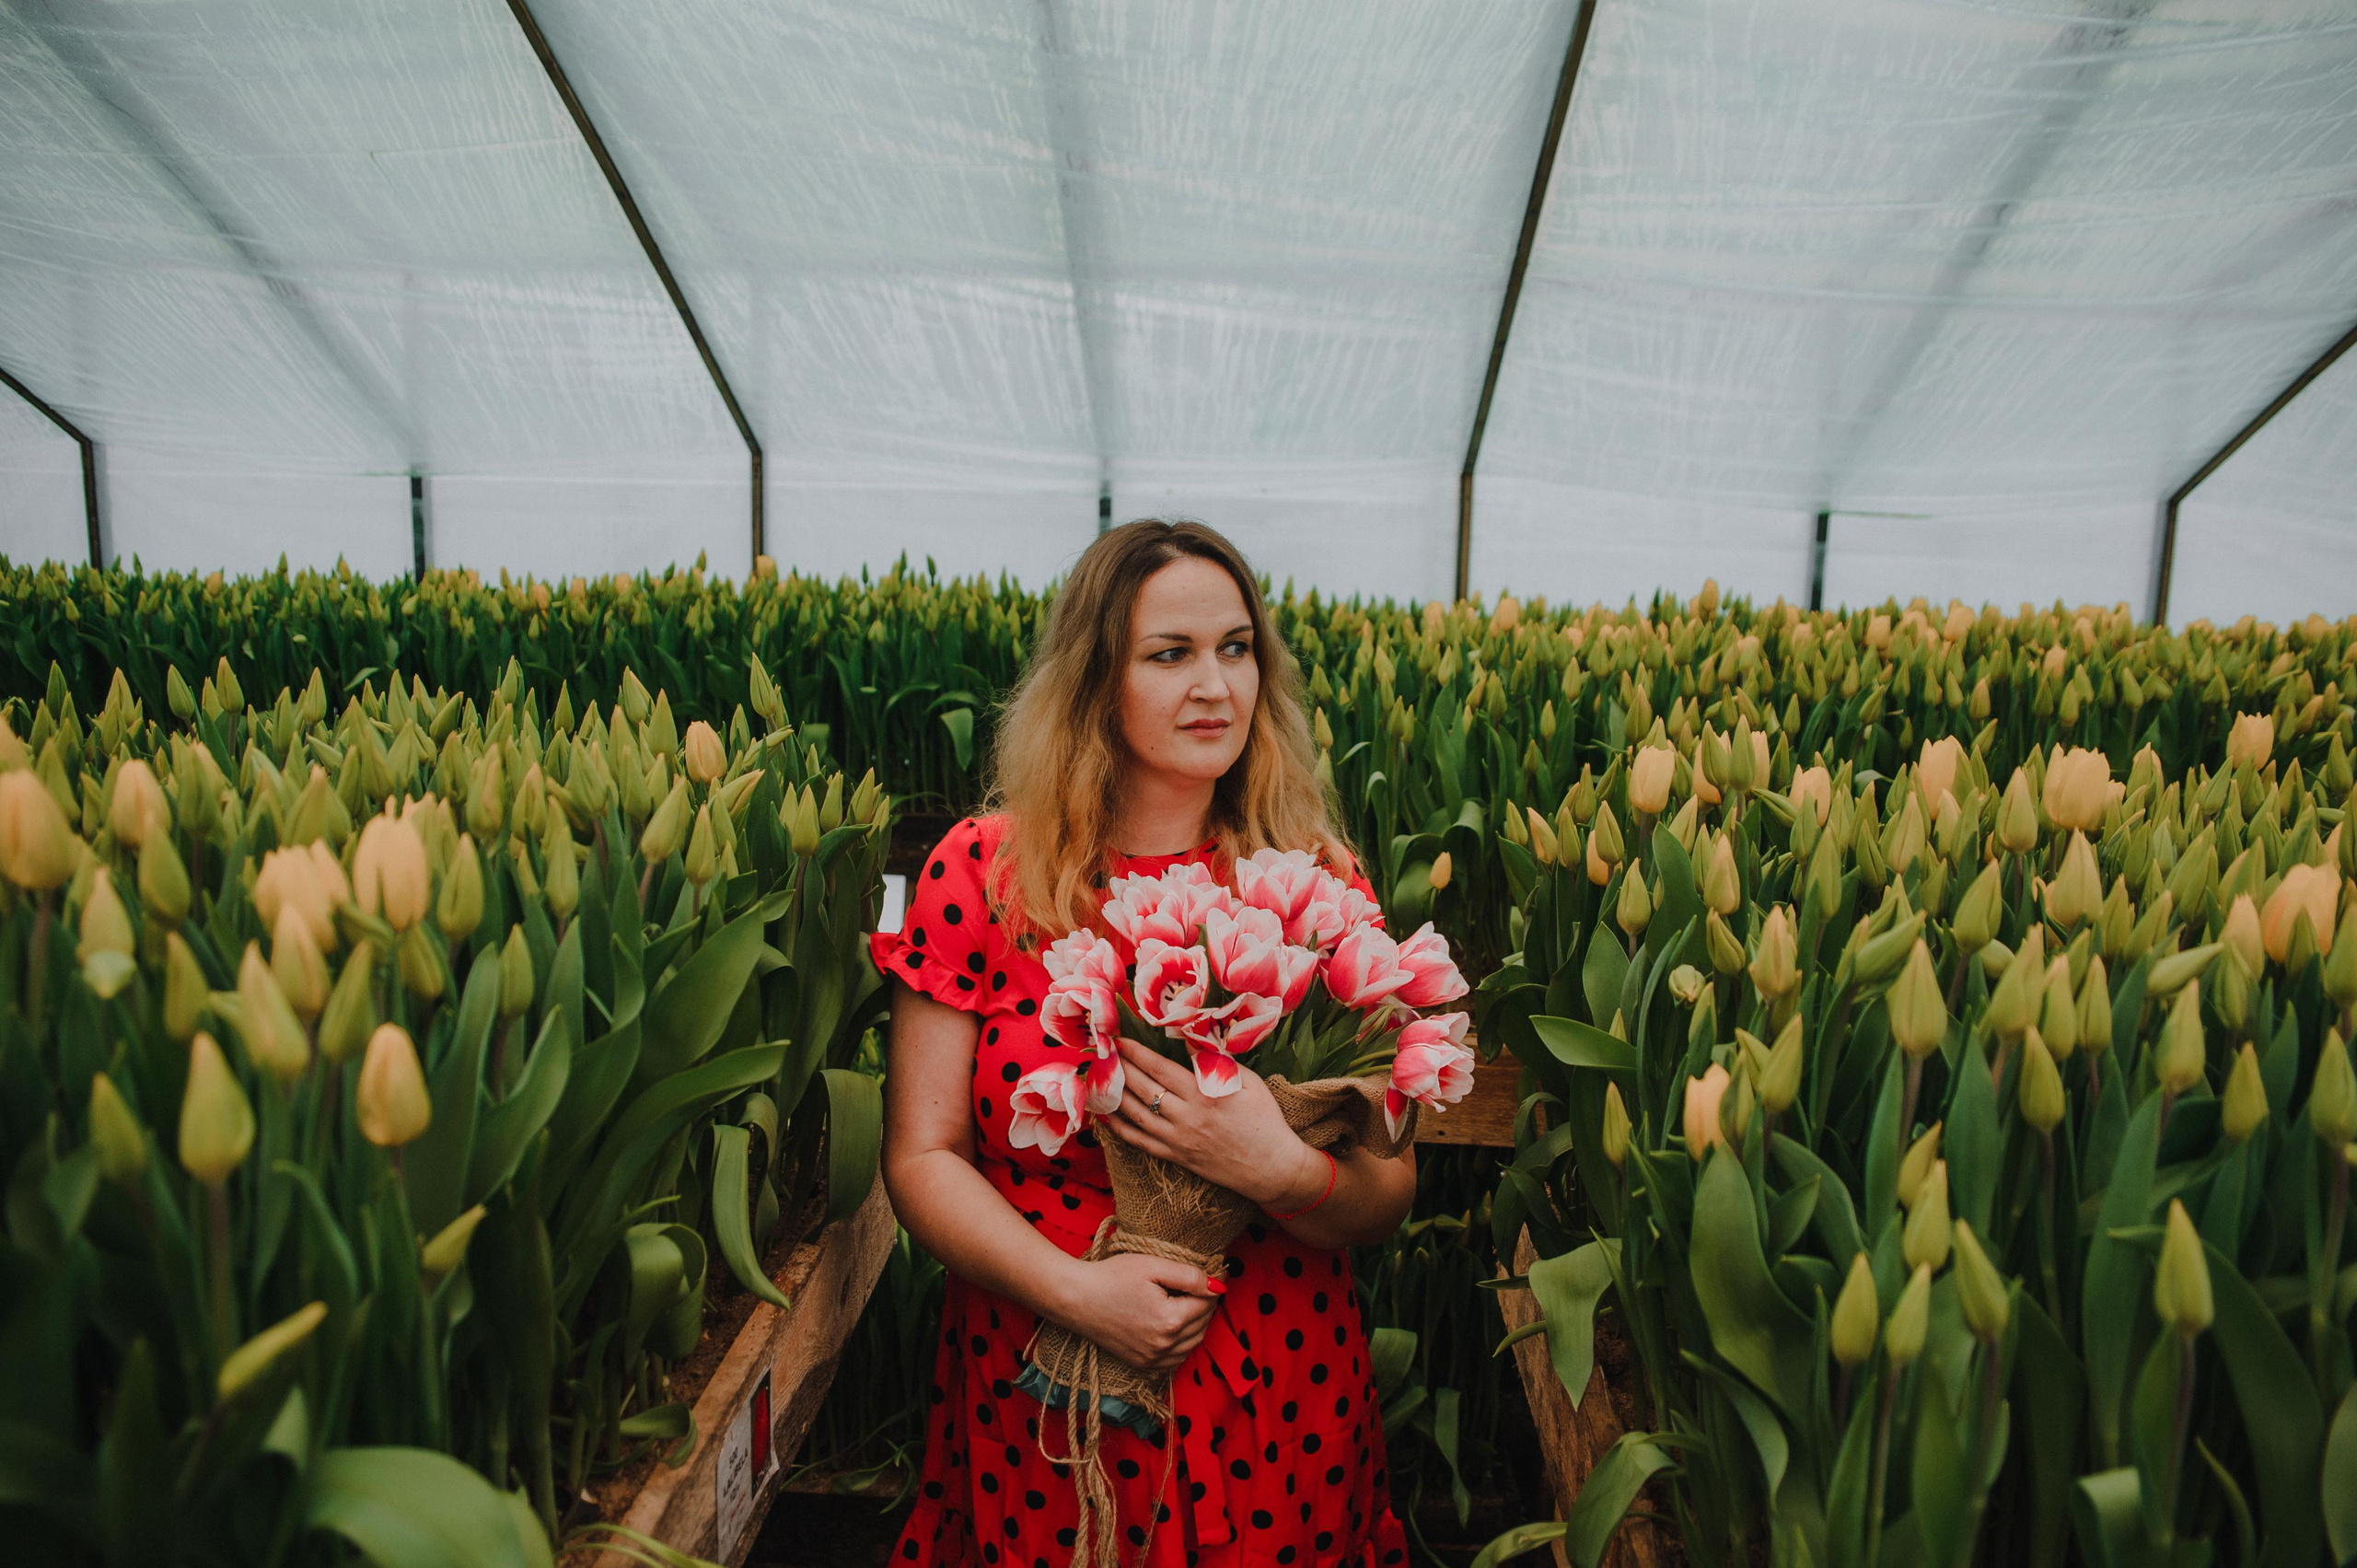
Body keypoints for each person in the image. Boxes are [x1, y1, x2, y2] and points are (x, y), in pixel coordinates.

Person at [876, 519, 1418, 1568]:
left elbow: (1388, 1190)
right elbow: (920, 1155)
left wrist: (1277, 1166)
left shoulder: (1312, 881)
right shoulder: (985, 874)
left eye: (1236, 646)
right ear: (1094, 678)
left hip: (1277, 1390)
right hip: (1043, 1380)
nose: (1214, 683)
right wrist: (1078, 1292)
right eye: (1169, 653)